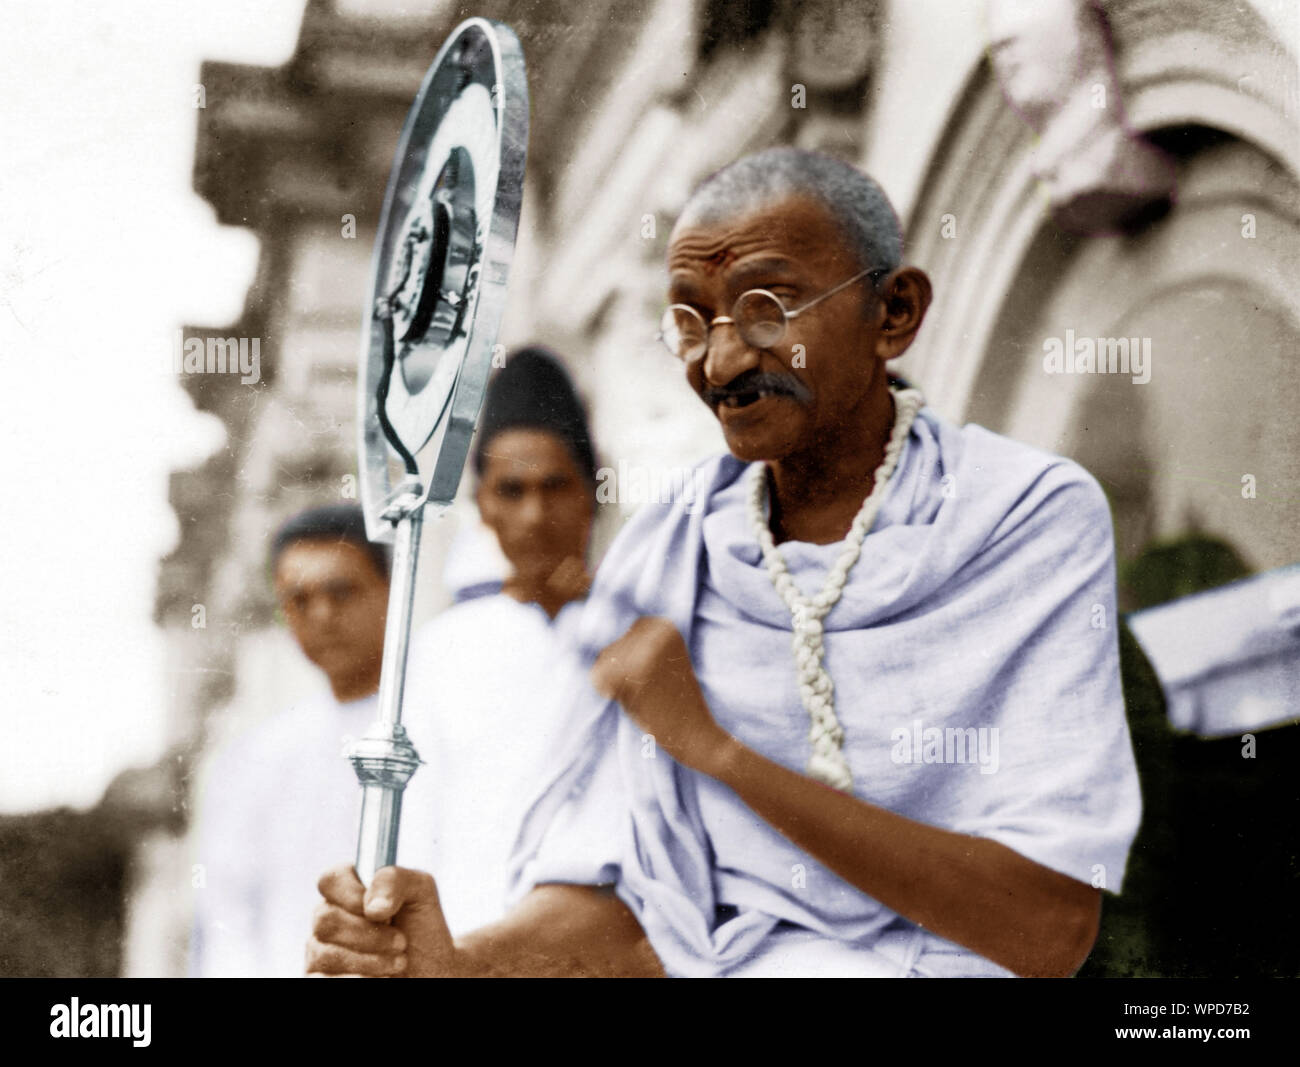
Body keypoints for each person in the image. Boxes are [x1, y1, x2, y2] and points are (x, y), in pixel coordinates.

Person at [305, 146, 1142, 979]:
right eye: (690, 321)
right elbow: (632, 918)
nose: (724, 360)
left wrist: (719, 751)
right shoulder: (669, 551)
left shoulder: (1022, 515)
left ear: (894, 311)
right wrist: (460, 963)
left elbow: (1047, 924)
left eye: (769, 308)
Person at [399, 346, 599, 935]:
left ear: (591, 489)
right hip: (473, 944)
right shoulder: (441, 654)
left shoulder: (647, 633)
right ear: (481, 502)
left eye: (555, 486)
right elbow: (414, 834)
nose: (535, 515)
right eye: (511, 491)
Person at [190, 504, 404, 977]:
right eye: (299, 599)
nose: (322, 615)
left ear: (390, 592)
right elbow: (228, 919)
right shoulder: (253, 758)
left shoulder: (434, 725)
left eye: (341, 592)